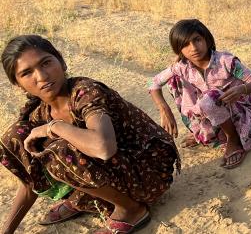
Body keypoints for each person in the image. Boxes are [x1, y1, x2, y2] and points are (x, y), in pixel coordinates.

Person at [0, 35, 179, 234]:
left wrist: (55, 127)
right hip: (115, 171)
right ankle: (81, 197)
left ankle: (131, 210)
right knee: (14, 138)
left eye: (46, 63)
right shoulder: (37, 112)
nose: (42, 76)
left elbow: (104, 148)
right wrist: (6, 230)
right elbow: (29, 180)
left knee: (58, 150)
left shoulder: (85, 92)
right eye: (27, 73)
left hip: (148, 172)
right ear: (18, 84)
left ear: (62, 61)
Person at [148, 19, 251, 169]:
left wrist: (242, 89)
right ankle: (203, 132)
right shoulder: (182, 67)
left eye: (197, 40)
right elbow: (152, 83)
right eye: (185, 44)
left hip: (240, 116)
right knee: (174, 81)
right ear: (179, 50)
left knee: (210, 97)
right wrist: (163, 108)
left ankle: (233, 138)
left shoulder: (226, 62)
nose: (194, 48)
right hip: (211, 116)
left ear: (207, 40)